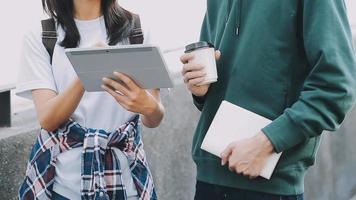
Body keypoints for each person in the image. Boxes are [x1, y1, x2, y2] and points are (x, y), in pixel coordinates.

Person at [181, 0, 356, 199]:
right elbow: (218, 71)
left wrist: (268, 141)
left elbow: (337, 87)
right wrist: (200, 90)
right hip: (209, 176)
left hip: (270, 183)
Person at [16, 0, 163, 200]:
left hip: (129, 182)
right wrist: (89, 68)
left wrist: (149, 107)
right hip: (62, 185)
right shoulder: (42, 35)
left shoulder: (137, 30)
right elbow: (47, 118)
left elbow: (154, 117)